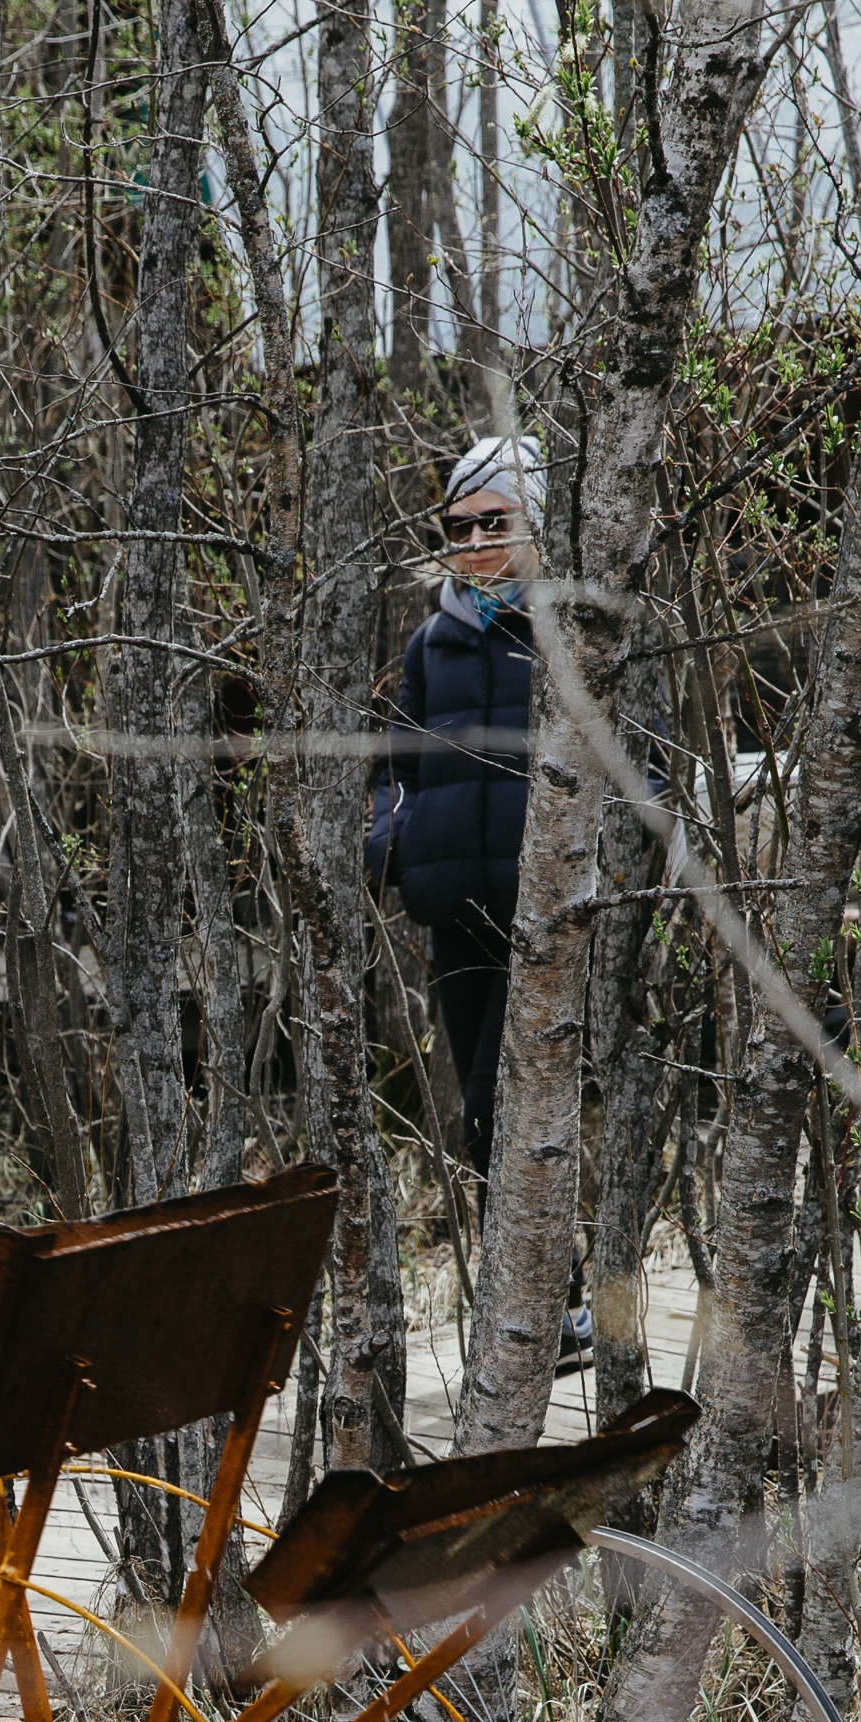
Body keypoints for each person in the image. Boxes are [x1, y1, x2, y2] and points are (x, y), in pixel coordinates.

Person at [368, 434, 590, 1363]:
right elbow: (393, 769)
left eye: (492, 522)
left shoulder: (573, 630)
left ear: (535, 521)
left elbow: (641, 757)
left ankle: (558, 1306)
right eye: (455, 527)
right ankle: (532, 1305)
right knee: (478, 1115)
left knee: (519, 1106)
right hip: (456, 906)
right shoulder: (433, 643)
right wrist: (392, 843)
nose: (472, 543)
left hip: (550, 917)